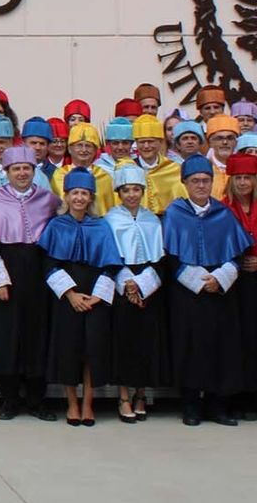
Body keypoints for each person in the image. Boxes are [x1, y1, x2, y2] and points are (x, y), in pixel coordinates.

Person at [162, 154, 253, 426]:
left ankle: (218, 405)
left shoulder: (223, 213)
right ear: (185, 183)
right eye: (195, 181)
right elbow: (169, 256)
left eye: (205, 180)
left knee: (221, 348)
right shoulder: (174, 213)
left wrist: (220, 278)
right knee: (189, 347)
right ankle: (191, 405)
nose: (201, 185)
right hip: (187, 293)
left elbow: (237, 254)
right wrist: (198, 280)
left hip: (220, 291)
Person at [0, 145, 59, 421]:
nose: (22, 173)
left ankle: (37, 400)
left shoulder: (48, 200)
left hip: (39, 272)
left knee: (38, 334)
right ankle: (10, 399)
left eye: (27, 168)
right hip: (7, 269)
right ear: (7, 172)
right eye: (16, 169)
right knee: (6, 335)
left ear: (34, 171)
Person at [40, 168, 121, 427]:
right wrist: (71, 294)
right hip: (67, 295)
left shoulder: (101, 226)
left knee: (91, 350)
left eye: (84, 193)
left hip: (94, 294)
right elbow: (49, 264)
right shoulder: (55, 225)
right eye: (74, 193)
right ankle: (72, 403)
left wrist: (97, 297)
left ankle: (88, 403)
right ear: (66, 196)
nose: (79, 198)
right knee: (68, 349)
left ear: (90, 198)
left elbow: (110, 265)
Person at [105, 164, 168, 423]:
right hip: (121, 282)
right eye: (126, 190)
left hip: (148, 284)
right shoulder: (110, 219)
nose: (131, 194)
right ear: (119, 192)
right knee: (124, 341)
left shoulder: (152, 219)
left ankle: (141, 393)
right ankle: (123, 396)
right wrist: (128, 284)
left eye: (136, 190)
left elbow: (160, 258)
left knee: (146, 341)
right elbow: (108, 256)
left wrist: (142, 284)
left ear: (143, 191)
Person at [220, 151, 257, 421]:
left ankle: (256, 396)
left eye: (247, 178)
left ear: (256, 181)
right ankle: (233, 396)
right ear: (230, 181)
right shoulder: (221, 209)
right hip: (231, 283)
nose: (243, 183)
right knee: (233, 340)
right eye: (238, 178)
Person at [52, 123, 115, 215]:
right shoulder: (59, 175)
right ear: (69, 149)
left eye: (88, 146)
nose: (84, 150)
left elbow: (108, 209)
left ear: (95, 150)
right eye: (79, 145)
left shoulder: (103, 177)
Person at [130, 115, 184, 214]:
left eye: (150, 141)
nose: (146, 146)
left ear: (160, 142)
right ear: (136, 143)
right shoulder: (128, 168)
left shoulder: (173, 169)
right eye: (142, 142)